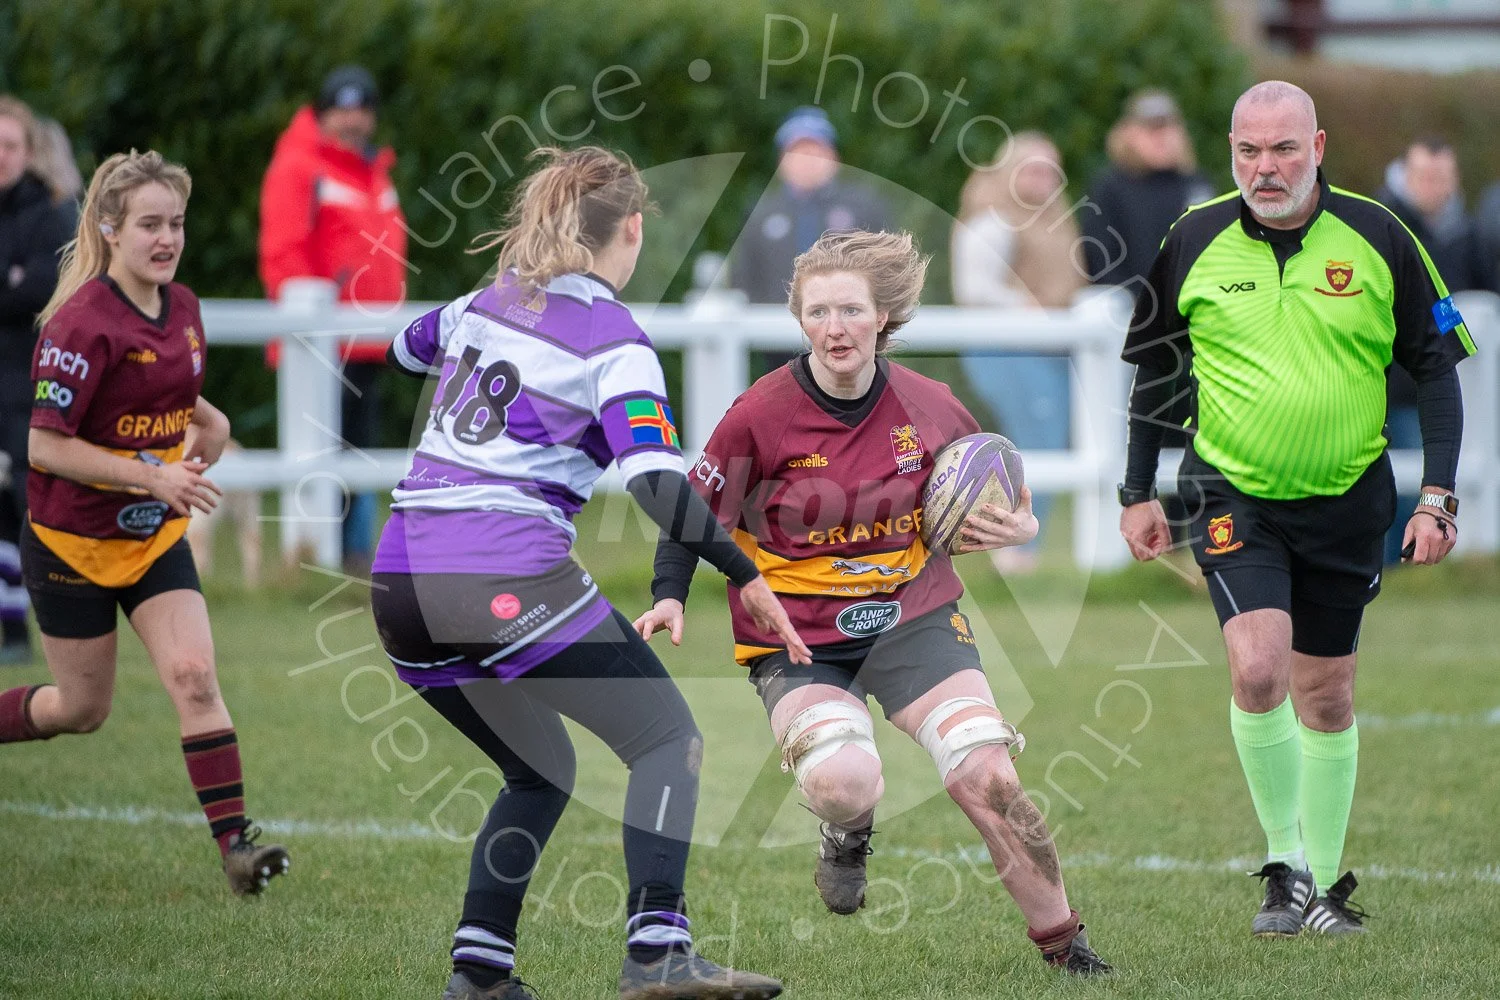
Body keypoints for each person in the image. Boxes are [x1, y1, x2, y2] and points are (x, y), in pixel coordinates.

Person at [370, 145, 798, 1000]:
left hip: (398, 583)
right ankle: (658, 955)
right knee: (666, 740)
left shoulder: (486, 302)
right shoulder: (616, 339)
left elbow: (401, 351)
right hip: (497, 574)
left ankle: (480, 974)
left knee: (541, 770)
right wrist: (742, 570)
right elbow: (651, 480)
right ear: (631, 230)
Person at [637, 229, 1112, 976]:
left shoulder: (930, 405)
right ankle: (847, 830)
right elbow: (694, 512)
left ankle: (1065, 945)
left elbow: (998, 488)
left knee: (991, 776)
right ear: (800, 319)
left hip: (914, 619)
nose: (835, 328)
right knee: (840, 780)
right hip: (797, 637)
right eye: (818, 311)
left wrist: (1019, 522)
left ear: (883, 315)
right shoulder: (760, 414)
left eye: (851, 310)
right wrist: (669, 595)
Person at [1119, 82, 1474, 937]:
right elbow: (1158, 371)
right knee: (1257, 669)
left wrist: (1437, 495)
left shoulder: (1383, 235)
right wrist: (1137, 490)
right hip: (1231, 491)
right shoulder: (1193, 236)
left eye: (1282, 150)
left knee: (1327, 695)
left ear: (1316, 147)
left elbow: (1437, 368)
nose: (1264, 168)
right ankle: (1283, 868)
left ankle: (1324, 887)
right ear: (1231, 149)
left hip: (1352, 497)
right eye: (1248, 150)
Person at [0, 149, 292, 896]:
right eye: (150, 225)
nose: (167, 239)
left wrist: (215, 421)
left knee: (195, 677)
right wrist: (152, 475)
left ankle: (236, 848)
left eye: (177, 224)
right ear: (110, 229)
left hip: (151, 537)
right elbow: (43, 445)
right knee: (80, 710)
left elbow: (169, 387)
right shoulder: (78, 324)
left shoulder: (182, 306)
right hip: (70, 544)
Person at [259, 65, 405, 575]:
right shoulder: (300, 167)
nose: (352, 120)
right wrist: (307, 328)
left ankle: (354, 555)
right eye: (341, 109)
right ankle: (332, 558)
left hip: (367, 340)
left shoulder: (371, 171)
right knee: (332, 452)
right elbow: (283, 254)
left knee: (358, 452)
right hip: (323, 342)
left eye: (361, 109)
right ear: (322, 114)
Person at [951, 131, 1085, 573]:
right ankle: (1011, 549)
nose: (1043, 179)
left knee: (1045, 441)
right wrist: (1024, 306)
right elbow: (975, 288)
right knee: (1034, 442)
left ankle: (1024, 549)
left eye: (1050, 170)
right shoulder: (995, 217)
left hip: (1045, 349)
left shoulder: (1053, 217)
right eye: (1033, 169)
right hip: (1003, 349)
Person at [0, 97, 84, 665]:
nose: (0, 157)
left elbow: (40, 292)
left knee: (33, 505)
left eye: (8, 146)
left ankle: (56, 627)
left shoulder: (51, 214)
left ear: (28, 153)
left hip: (27, 385)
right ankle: (11, 629)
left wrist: (19, 282)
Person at [731, 106, 892, 376]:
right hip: (778, 346)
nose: (807, 160)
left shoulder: (864, 208)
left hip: (851, 341)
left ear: (833, 156)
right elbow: (744, 277)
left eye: (815, 150)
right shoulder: (761, 213)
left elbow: (886, 274)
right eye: (798, 151)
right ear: (782, 160)